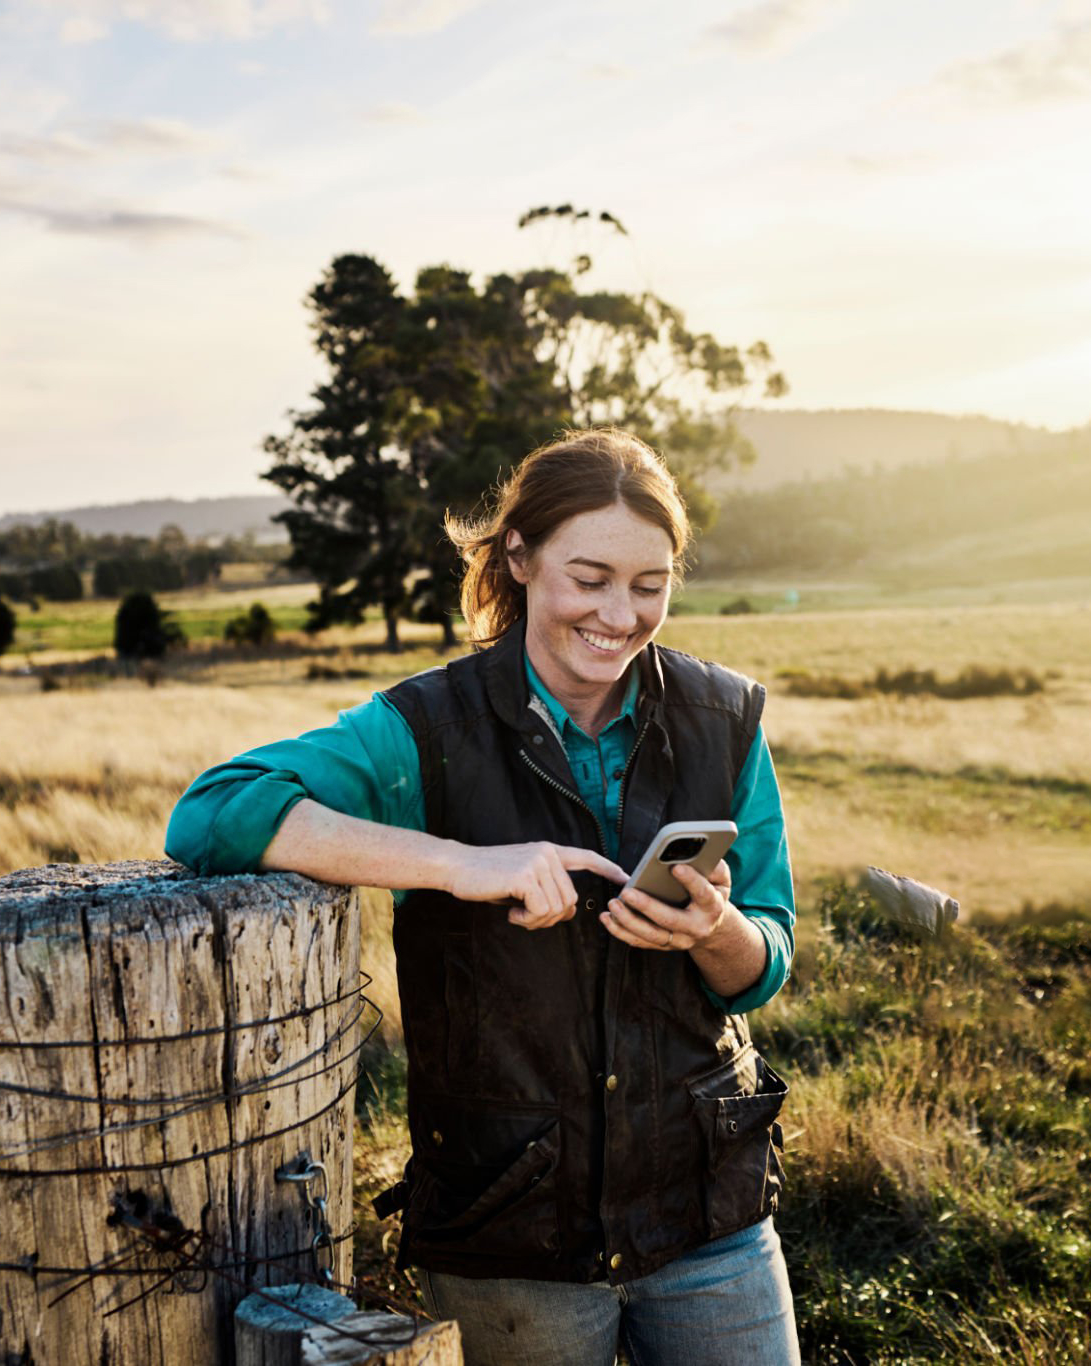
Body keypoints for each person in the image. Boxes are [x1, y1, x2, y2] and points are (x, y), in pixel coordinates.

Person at [165, 427, 799, 1365]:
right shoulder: (421, 729)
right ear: (520, 556)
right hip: (508, 1229)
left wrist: (716, 932)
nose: (620, 616)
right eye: (590, 578)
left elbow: (765, 963)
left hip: (708, 1214)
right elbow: (213, 813)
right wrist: (460, 863)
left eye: (649, 585)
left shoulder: (727, 721)